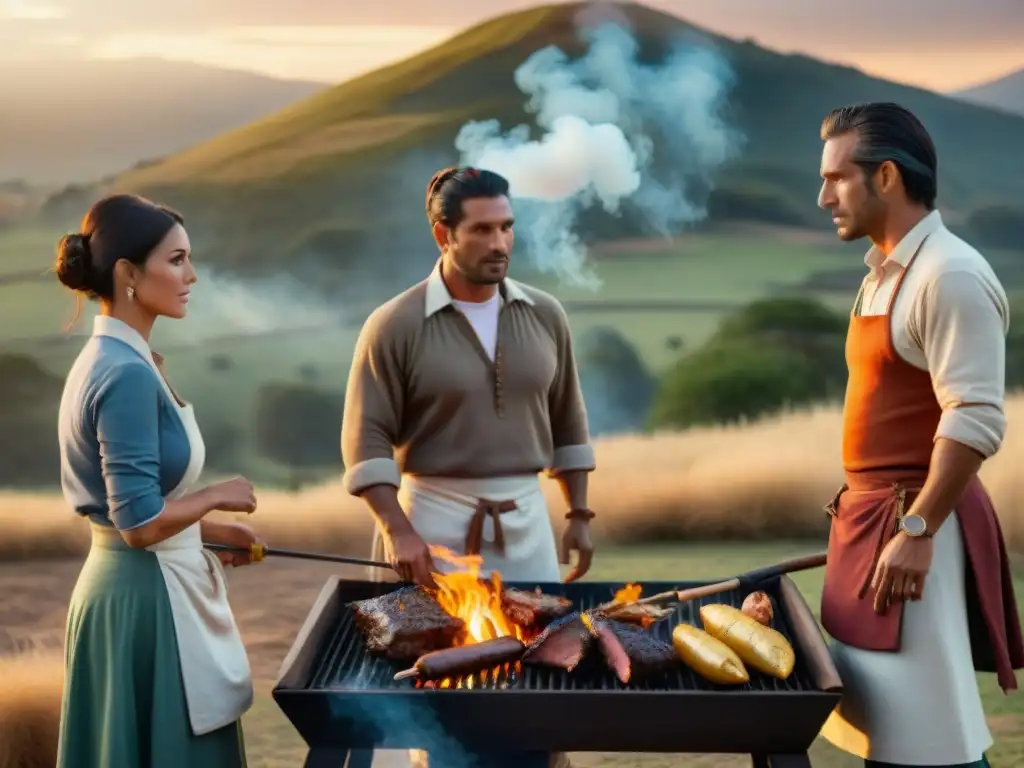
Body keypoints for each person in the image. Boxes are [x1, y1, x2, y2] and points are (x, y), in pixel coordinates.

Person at [341, 166, 595, 768]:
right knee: (442, 691)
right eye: (482, 230)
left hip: (527, 520)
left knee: (534, 680)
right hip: (432, 523)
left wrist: (579, 512)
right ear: (442, 235)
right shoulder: (394, 324)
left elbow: (568, 422)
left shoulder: (545, 314)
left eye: (507, 227)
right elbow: (366, 439)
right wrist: (396, 529)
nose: (500, 243)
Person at [814, 102, 1024, 767]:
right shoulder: (884, 275)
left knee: (931, 740)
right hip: (874, 523)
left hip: (914, 534)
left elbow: (975, 417)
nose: (823, 198)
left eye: (836, 179)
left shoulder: (949, 275)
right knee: (889, 733)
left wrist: (917, 530)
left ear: (884, 177)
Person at [54, 194, 264, 768]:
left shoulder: (122, 358)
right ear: (127, 273)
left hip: (140, 586)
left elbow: (134, 505)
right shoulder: (122, 373)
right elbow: (138, 525)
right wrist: (216, 494)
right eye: (176, 260)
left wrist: (209, 529)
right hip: (144, 602)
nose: (191, 275)